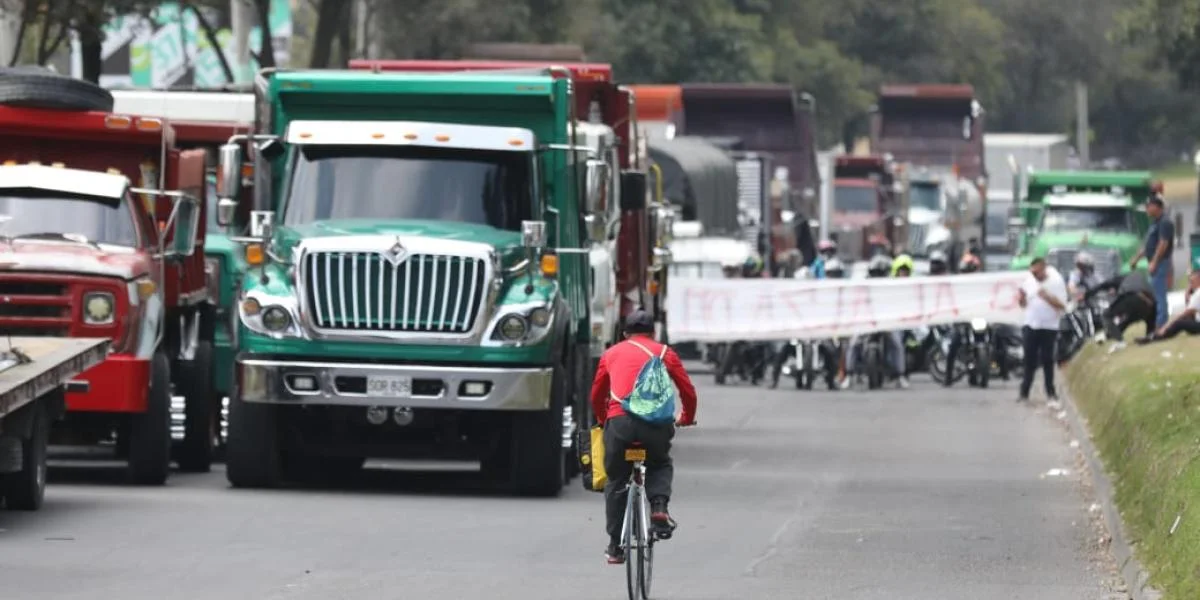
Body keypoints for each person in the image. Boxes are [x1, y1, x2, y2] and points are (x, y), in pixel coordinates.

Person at [590, 309, 698, 565]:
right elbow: (688, 391)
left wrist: (604, 419)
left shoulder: (611, 353)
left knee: (616, 479)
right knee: (659, 462)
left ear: (625, 333)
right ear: (653, 332)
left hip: (620, 424)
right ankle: (659, 508)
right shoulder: (665, 353)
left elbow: (597, 393)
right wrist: (687, 417)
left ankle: (615, 546)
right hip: (655, 426)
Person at [840, 254, 909, 389]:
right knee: (854, 343)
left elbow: (898, 304)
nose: (878, 276)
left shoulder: (891, 287)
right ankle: (849, 375)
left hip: (886, 322)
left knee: (897, 344)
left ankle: (900, 375)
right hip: (867, 322)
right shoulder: (863, 286)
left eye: (881, 273)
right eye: (876, 273)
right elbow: (855, 303)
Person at [1016, 257, 1068, 402]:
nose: (1035, 276)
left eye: (1037, 273)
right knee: (1029, 360)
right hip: (1031, 324)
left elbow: (1062, 305)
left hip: (1049, 326)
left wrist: (1047, 297)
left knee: (1047, 359)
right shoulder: (1028, 281)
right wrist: (1021, 298)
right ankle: (1024, 392)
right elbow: (1023, 304)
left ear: (1044, 269)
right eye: (1032, 273)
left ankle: (1050, 392)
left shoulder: (1056, 282)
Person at [1129, 195, 1174, 328]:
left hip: (1160, 263)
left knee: (1159, 294)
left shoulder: (1165, 222)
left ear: (1156, 206)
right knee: (1152, 293)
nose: (1147, 209)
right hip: (1154, 263)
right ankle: (1156, 321)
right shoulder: (1155, 222)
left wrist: (1154, 262)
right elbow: (1148, 245)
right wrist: (1136, 259)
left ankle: (1161, 324)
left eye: (1149, 206)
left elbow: (1163, 244)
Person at [1083, 269, 1156, 344]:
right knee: (1129, 319)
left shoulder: (1122, 279)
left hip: (1132, 297)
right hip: (1150, 305)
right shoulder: (1141, 279)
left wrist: (1086, 295)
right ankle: (1149, 334)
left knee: (1106, 315)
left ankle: (1119, 342)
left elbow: (1104, 284)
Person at [1137, 270, 1200, 344]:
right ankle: (1154, 335)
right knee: (1186, 318)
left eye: (1192, 282)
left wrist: (1165, 327)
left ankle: (1155, 337)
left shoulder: (1197, 294)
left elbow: (1184, 314)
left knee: (1179, 323)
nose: (1190, 285)